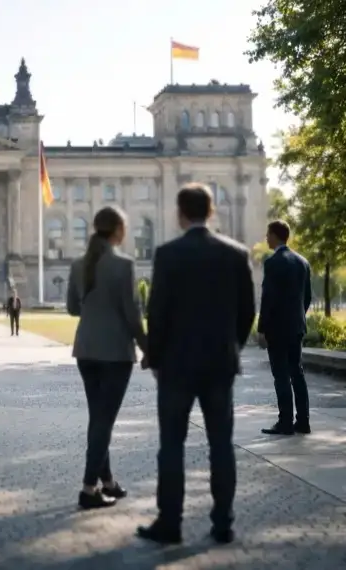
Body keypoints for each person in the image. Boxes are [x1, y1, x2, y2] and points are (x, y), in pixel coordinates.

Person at [138, 183, 255, 545]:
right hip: (219, 364)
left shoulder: (167, 254)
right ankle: (223, 523)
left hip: (176, 366)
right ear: (211, 211)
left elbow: (157, 312)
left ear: (180, 214)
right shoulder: (235, 254)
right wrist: (231, 347)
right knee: (221, 444)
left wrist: (155, 357)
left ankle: (170, 523)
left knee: (171, 445)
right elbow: (247, 312)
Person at [66, 206, 146, 510]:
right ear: (118, 230)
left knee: (99, 417)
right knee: (104, 420)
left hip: (86, 349)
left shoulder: (78, 264)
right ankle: (89, 489)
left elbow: (73, 308)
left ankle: (108, 481)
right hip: (115, 352)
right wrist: (148, 348)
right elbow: (132, 314)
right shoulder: (124, 264)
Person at [257, 219, 312, 435]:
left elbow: (268, 299)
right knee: (297, 373)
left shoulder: (273, 262)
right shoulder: (302, 262)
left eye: (268, 234)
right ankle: (303, 422)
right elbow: (307, 297)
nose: (266, 238)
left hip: (277, 329)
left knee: (281, 375)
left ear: (275, 236)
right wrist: (297, 317)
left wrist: (262, 329)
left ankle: (285, 422)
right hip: (296, 327)